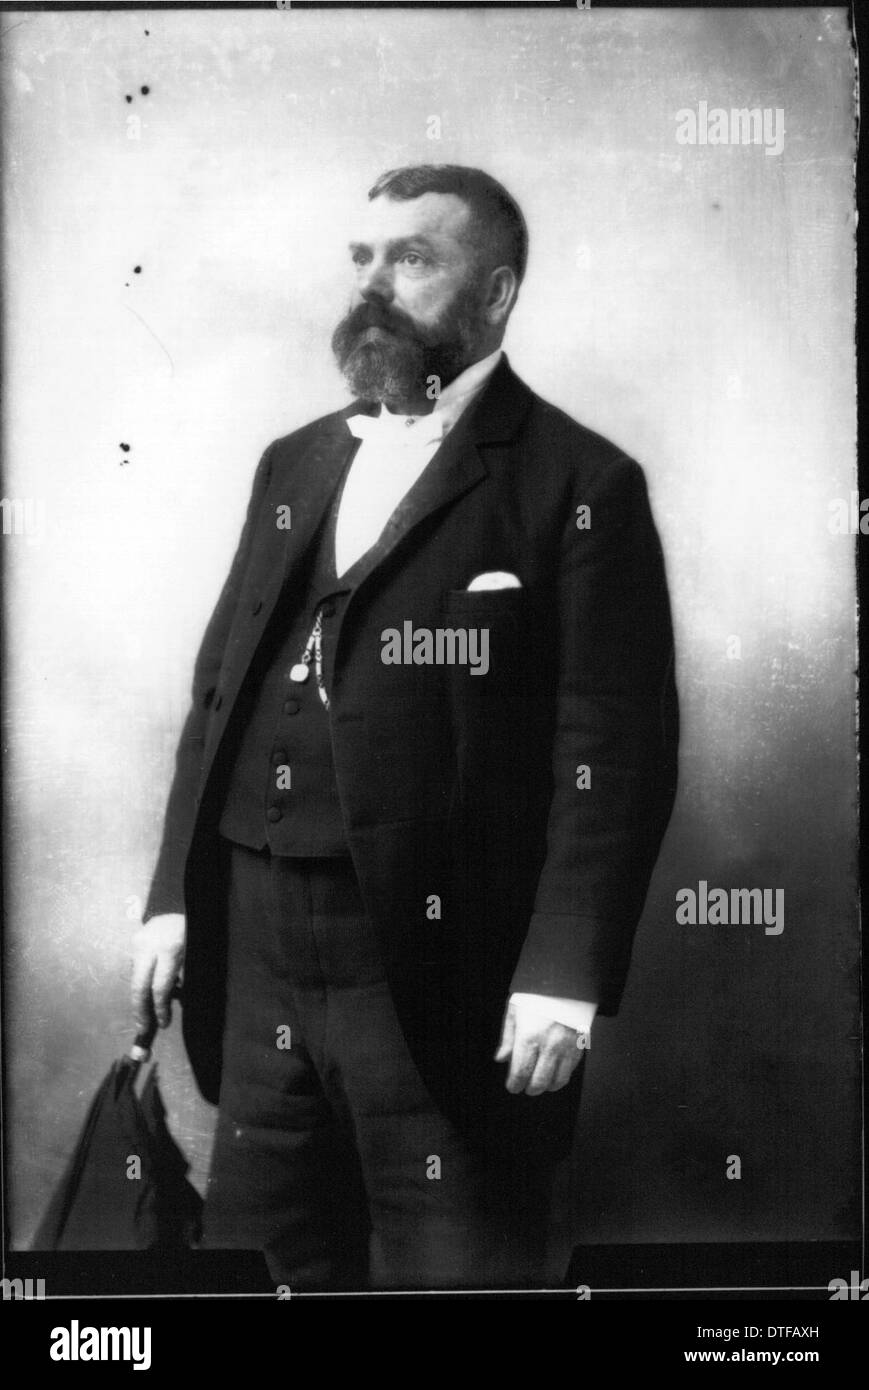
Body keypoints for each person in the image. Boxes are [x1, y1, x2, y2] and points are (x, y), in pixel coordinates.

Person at [131, 164, 679, 1290]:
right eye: (360, 259)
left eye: (412, 259)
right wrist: (176, 896)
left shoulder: (580, 480)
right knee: (265, 1265)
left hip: (443, 966)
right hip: (261, 944)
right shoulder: (298, 459)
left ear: (495, 294)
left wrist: (562, 975)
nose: (373, 286)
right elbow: (218, 692)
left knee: (457, 1280)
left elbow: (611, 750)